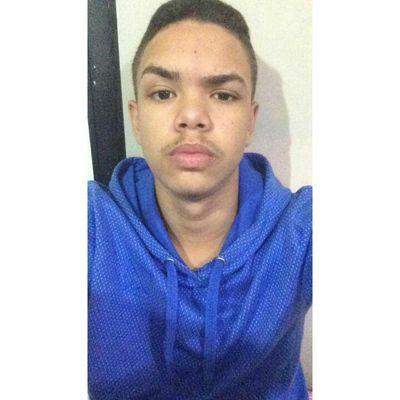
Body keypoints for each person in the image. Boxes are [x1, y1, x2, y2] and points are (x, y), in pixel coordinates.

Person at [88, 0, 312, 399]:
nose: (192, 115)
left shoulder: (302, 231)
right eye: (163, 93)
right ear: (136, 118)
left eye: (223, 95)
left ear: (250, 121)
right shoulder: (91, 227)